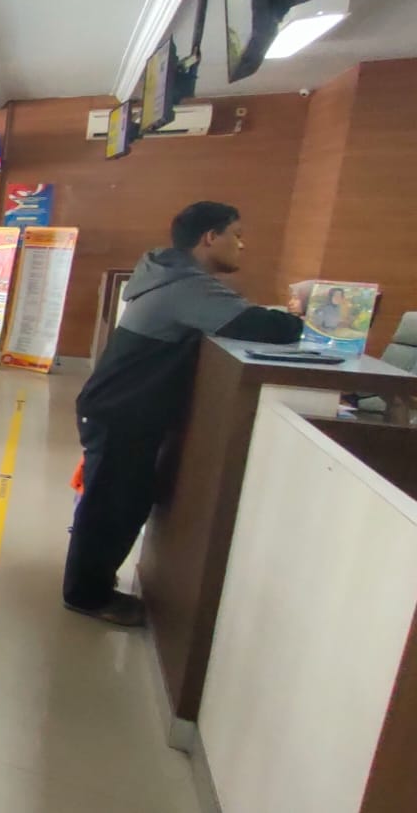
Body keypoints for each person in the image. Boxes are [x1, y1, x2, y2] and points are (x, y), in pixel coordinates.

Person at [66, 202, 303, 627]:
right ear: (210, 237)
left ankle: (91, 583)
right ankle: (86, 595)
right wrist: (300, 316)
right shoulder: (185, 286)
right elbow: (266, 327)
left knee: (123, 502)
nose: (242, 245)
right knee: (111, 506)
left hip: (124, 409)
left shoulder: (172, 275)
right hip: (121, 411)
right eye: (236, 234)